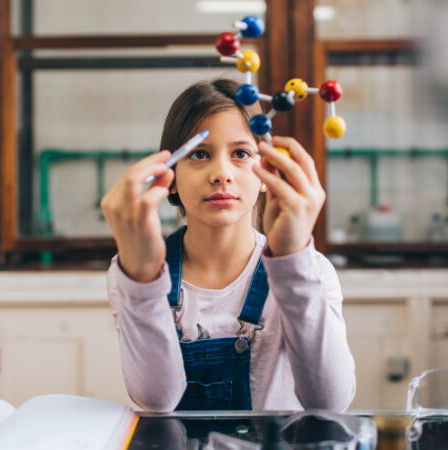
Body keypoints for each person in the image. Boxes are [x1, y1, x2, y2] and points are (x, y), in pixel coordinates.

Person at [102, 78, 355, 412]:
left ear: (268, 170)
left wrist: (293, 264)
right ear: (170, 177)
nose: (221, 173)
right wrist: (142, 278)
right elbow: (156, 400)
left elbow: (330, 402)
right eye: (199, 154)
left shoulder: (313, 270)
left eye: (241, 153)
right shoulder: (135, 274)